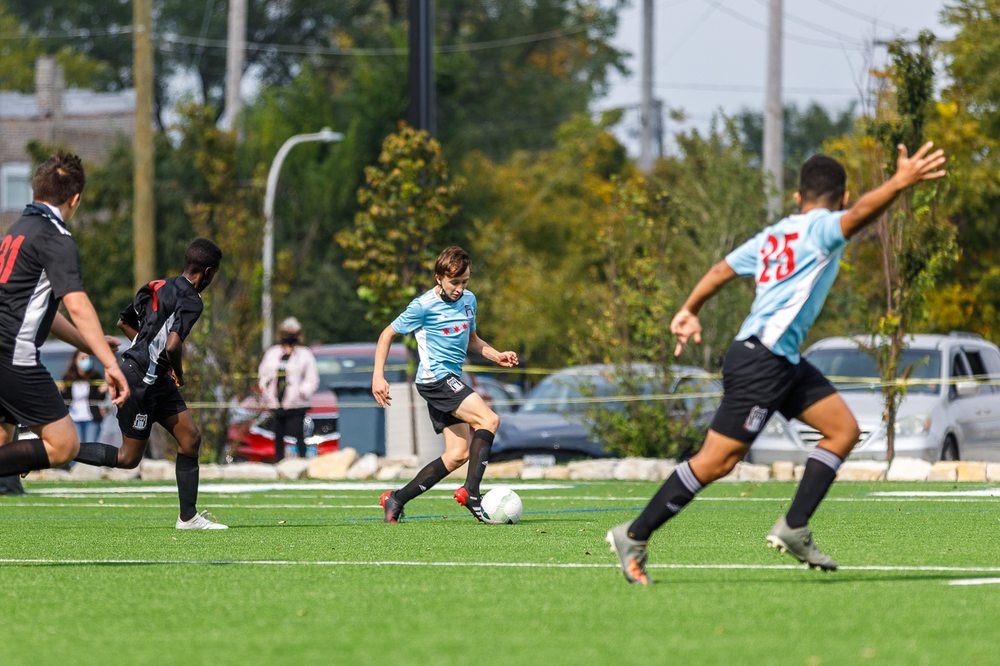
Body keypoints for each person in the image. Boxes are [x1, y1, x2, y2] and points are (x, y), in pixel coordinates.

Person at [607, 142, 947, 585]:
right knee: (716, 462)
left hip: (780, 359)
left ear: (796, 197)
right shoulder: (823, 228)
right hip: (760, 360)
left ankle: (794, 527)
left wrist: (690, 309)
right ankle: (633, 535)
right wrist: (900, 182)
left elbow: (719, 271)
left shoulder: (773, 234)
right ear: (839, 198)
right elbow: (863, 214)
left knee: (842, 431)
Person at [73, 238, 228, 530]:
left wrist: (148, 350)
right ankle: (56, 450)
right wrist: (178, 373)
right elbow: (172, 345)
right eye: (214, 274)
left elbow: (124, 321)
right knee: (128, 458)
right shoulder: (193, 300)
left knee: (190, 438)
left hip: (153, 378)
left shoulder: (157, 285)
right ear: (207, 272)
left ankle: (188, 518)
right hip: (140, 379)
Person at [0, 153, 128, 479]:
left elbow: (46, 311)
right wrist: (110, 365)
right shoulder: (55, 236)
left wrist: (90, 343)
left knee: (4, 443)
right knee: (63, 444)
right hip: (14, 356)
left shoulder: (17, 231)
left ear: (35, 192)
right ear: (75, 199)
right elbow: (77, 304)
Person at [372, 246, 519, 523]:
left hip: (450, 380)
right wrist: (378, 376)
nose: (460, 288)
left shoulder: (469, 301)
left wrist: (496, 354)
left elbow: (473, 340)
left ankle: (397, 499)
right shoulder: (422, 305)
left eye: (465, 282)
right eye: (454, 282)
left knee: (457, 455)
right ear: (439, 277)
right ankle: (471, 493)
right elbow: (387, 334)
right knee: (489, 419)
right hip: (435, 380)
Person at [257, 316, 319, 461]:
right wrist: (267, 394)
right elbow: (263, 376)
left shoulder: (305, 354)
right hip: (276, 402)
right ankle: (279, 462)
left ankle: (301, 463)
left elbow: (312, 379)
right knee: (278, 435)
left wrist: (301, 392)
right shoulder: (272, 353)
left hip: (297, 404)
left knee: (298, 434)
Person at [61, 350, 107, 444]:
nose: (86, 360)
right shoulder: (67, 377)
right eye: (83, 358)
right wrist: (62, 392)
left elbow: (100, 399)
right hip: (74, 418)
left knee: (91, 446)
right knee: (78, 447)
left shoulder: (95, 376)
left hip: (92, 418)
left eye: (88, 358)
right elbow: (65, 400)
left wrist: (101, 392)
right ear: (75, 360)